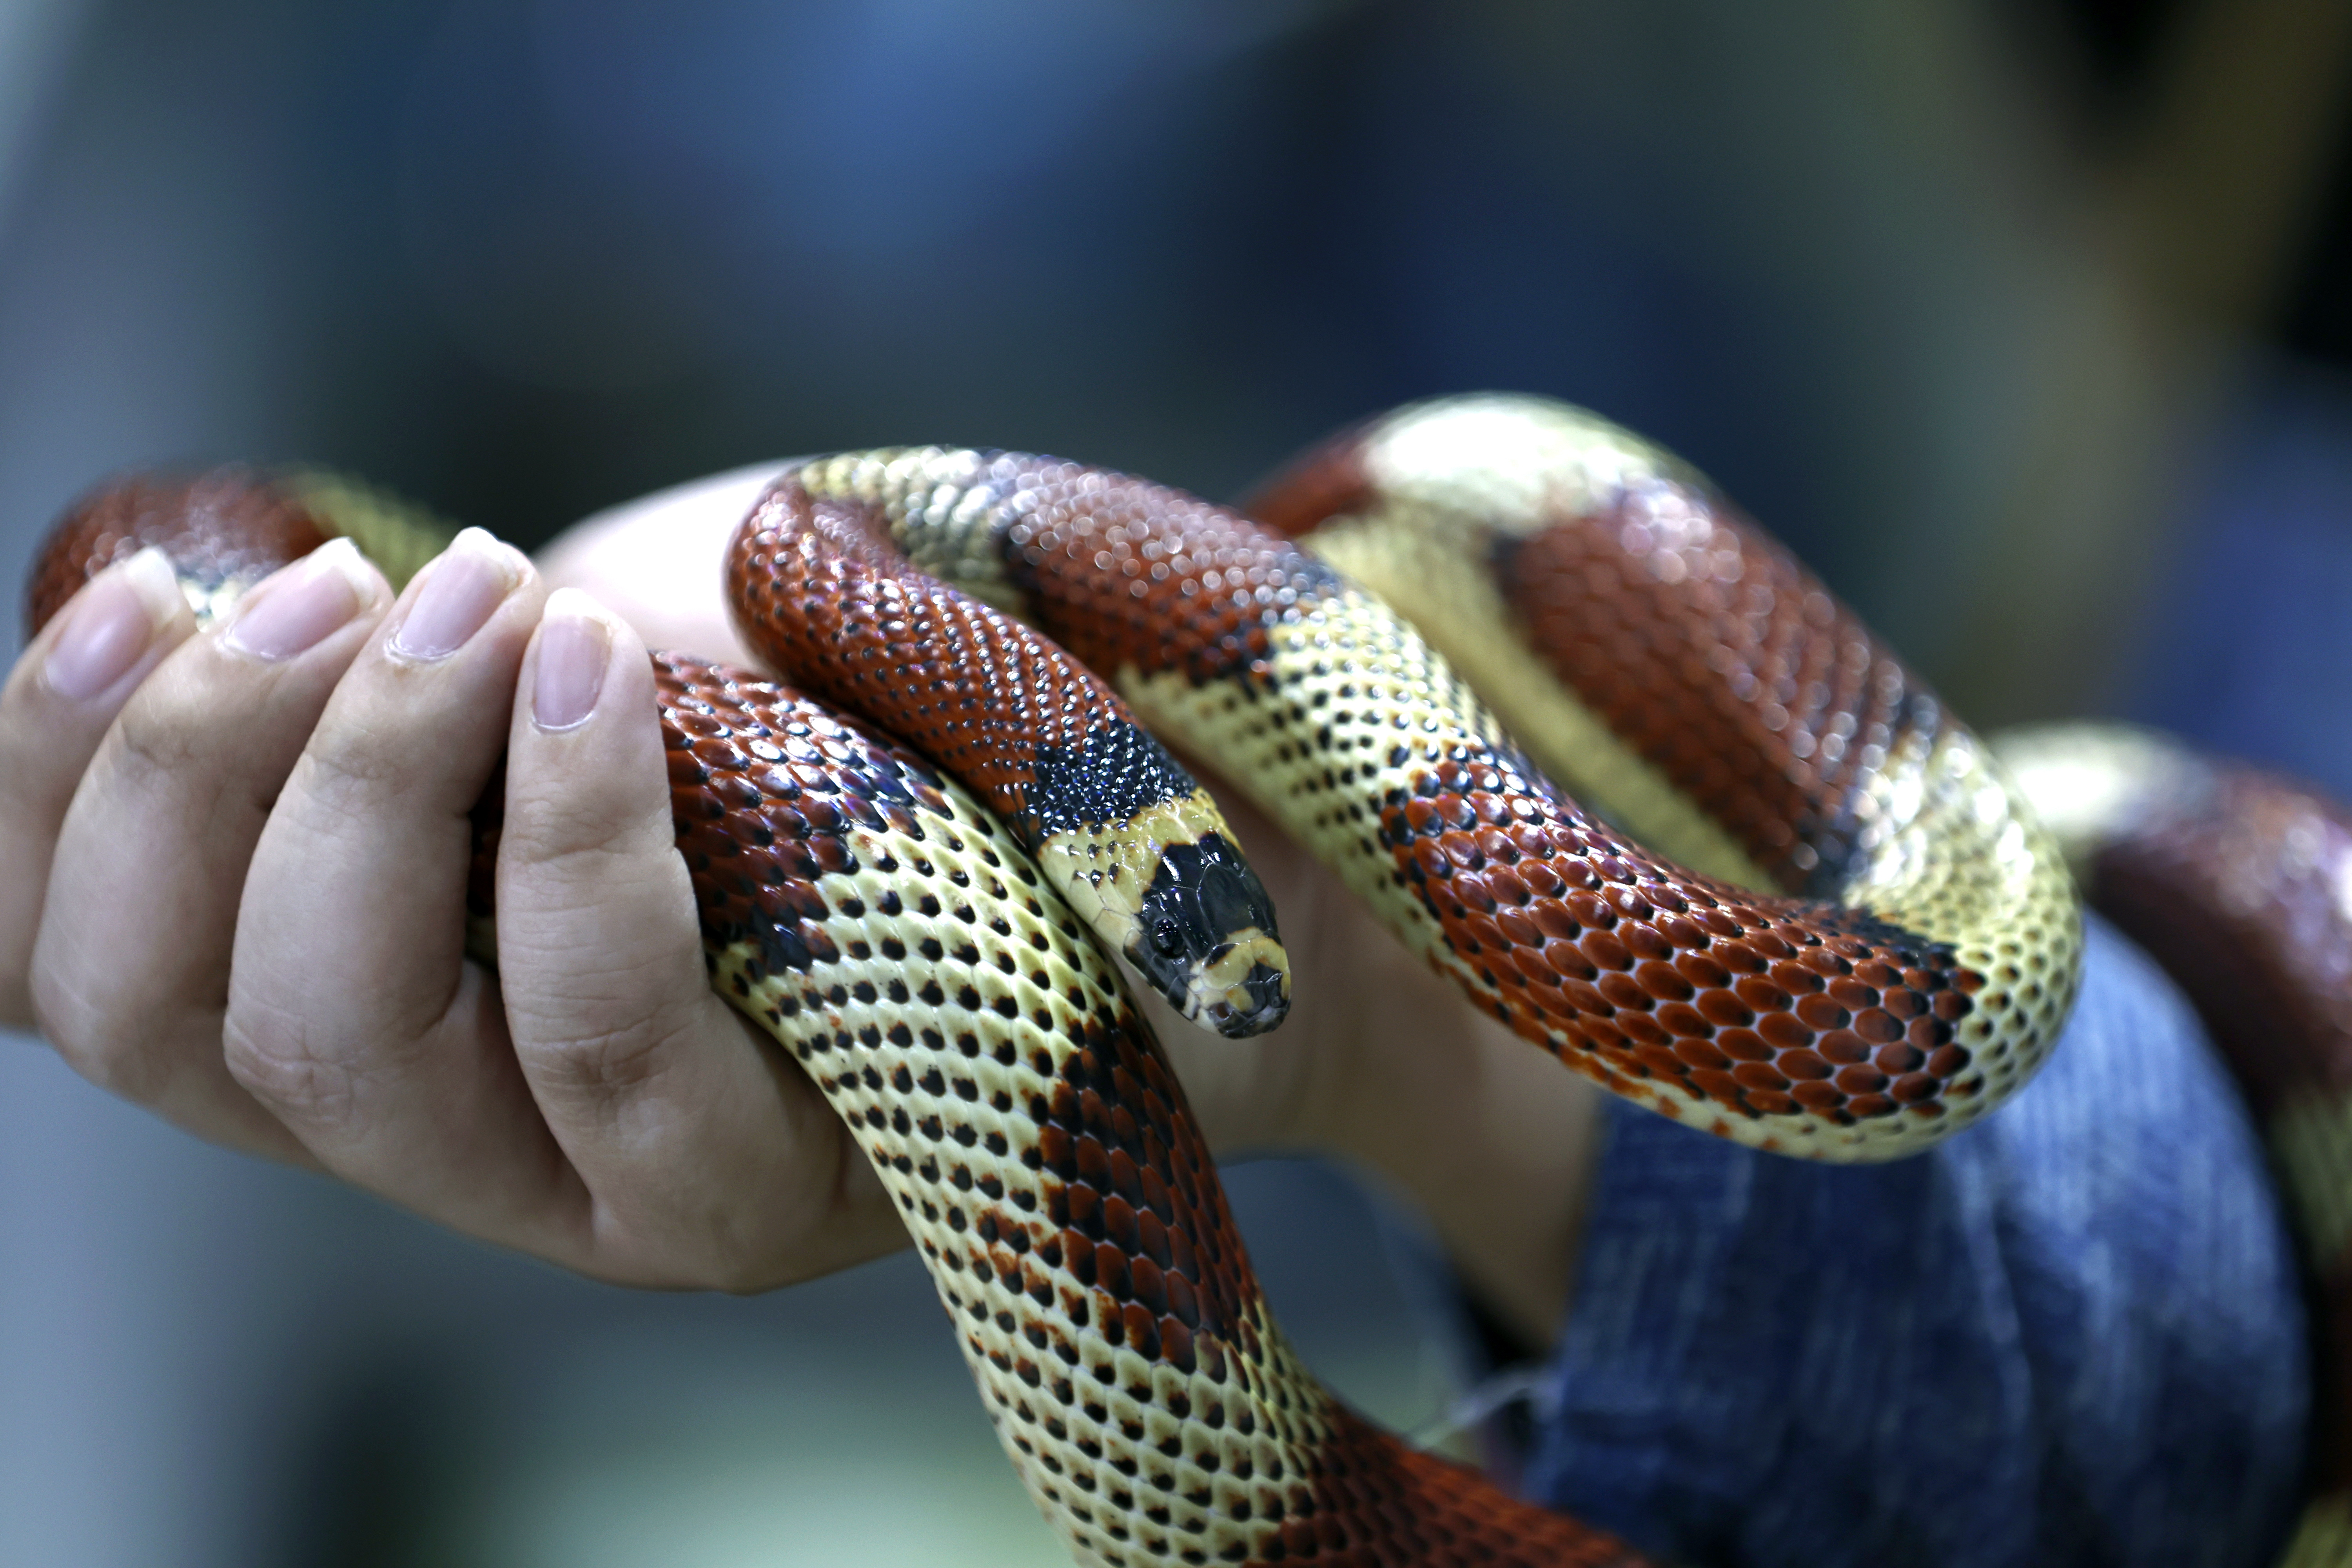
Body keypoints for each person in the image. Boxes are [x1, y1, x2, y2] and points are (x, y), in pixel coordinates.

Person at [0, 468, 2314, 1567]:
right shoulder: (880, 599)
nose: (1235, 970)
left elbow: (1945, 999)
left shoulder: (1026, 643)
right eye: (1206, 926)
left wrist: (1389, 1013)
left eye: (1231, 934)